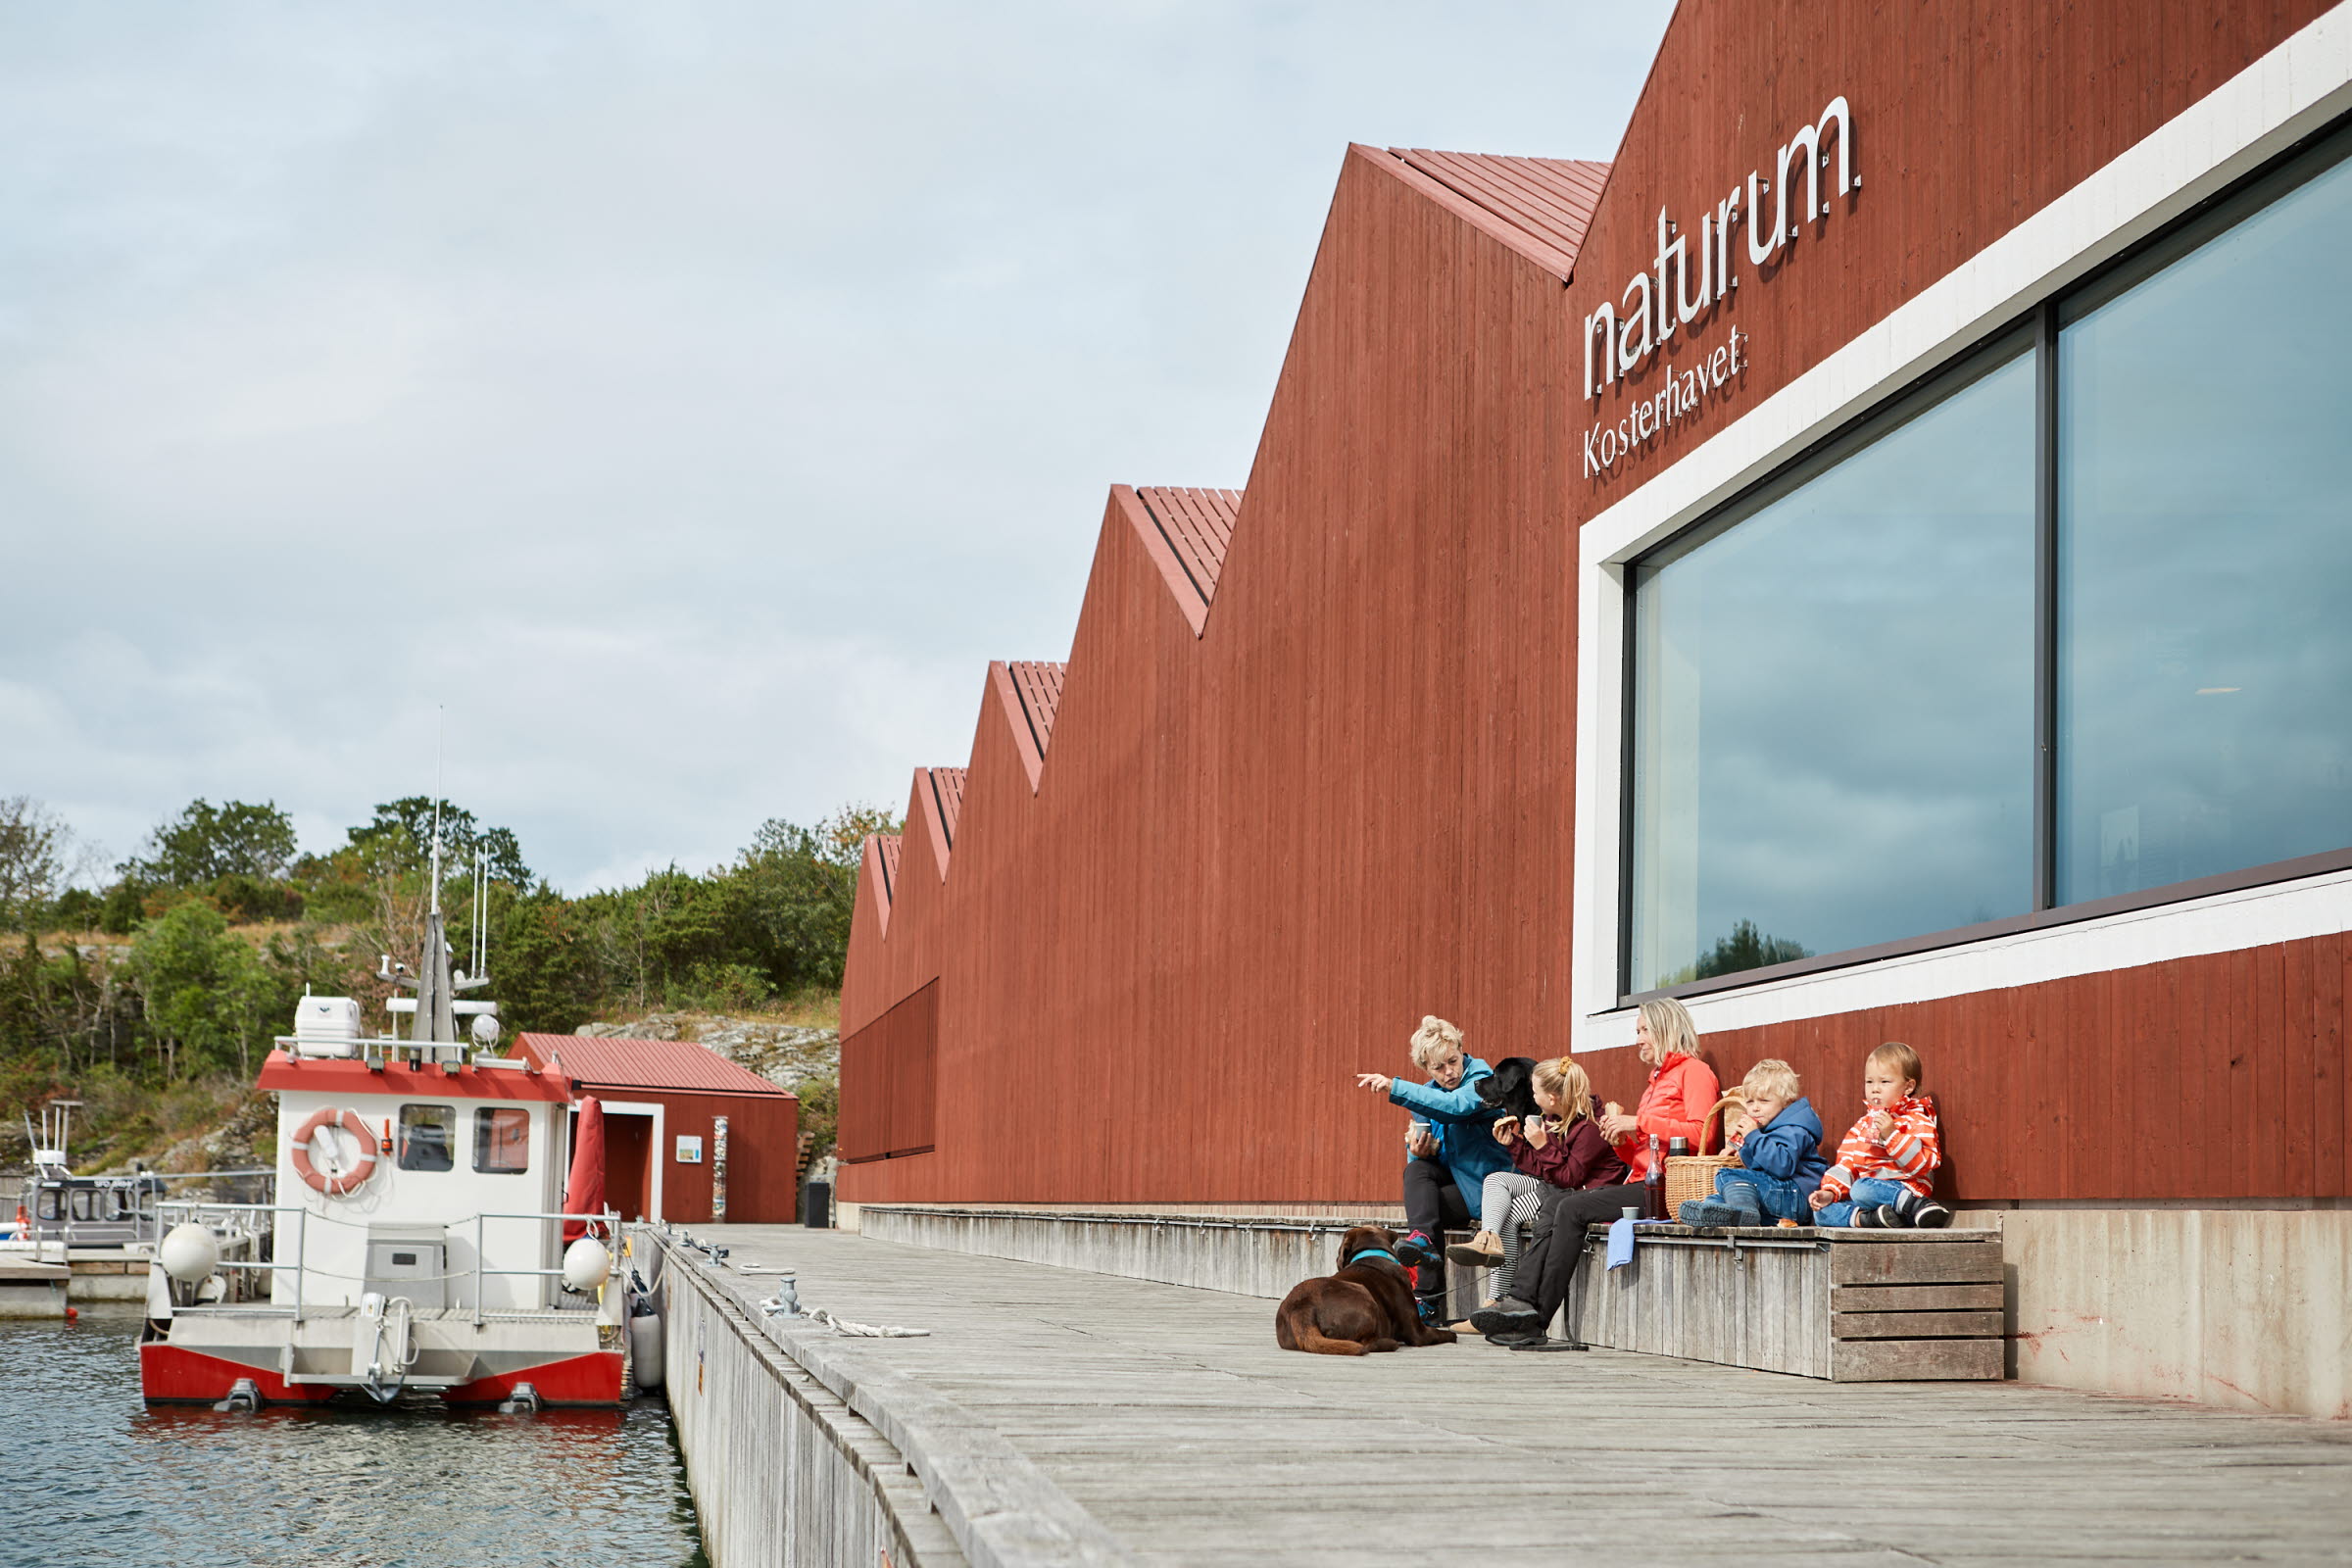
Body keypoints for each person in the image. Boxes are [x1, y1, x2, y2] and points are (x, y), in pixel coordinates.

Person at [1352, 1016, 1511, 1325]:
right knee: (1417, 1175)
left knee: (1426, 1212)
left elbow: (1455, 1108)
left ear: (1462, 1051)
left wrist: (1393, 1086)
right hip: (1455, 1189)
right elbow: (1424, 1162)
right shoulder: (1427, 1095)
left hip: (1486, 1190)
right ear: (1426, 1069)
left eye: (1452, 1061)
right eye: (1438, 1068)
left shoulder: (1482, 1080)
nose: (1448, 1072)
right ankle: (1423, 1251)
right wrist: (1419, 1152)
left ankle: (1428, 1297)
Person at [1450, 1055, 1624, 1311]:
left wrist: (1542, 1145)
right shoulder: (1555, 1117)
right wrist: (1515, 1144)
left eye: (1535, 1091)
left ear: (1552, 1098)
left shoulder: (1590, 1125)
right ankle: (1487, 1238)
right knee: (1496, 1179)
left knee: (1509, 1218)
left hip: (1576, 1195)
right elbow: (1544, 1169)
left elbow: (1569, 1178)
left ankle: (1495, 1301)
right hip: (1554, 1186)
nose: (1533, 1097)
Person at [1807, 1041, 1951, 1228]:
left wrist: (1892, 1136)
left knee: (1861, 1189)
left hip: (1906, 1191)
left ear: (1908, 1087)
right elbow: (1847, 1163)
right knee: (1822, 1213)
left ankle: (1916, 1206)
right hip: (1871, 1200)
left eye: (1884, 1082)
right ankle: (1873, 1220)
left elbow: (1924, 1165)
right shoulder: (1862, 1125)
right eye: (1870, 1082)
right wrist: (1830, 1191)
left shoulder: (1916, 1120)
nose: (1875, 1088)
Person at [1677, 1058, 1826, 1226]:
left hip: (1797, 1195)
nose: (1755, 1108)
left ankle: (1743, 1213)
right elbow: (1743, 1140)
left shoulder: (1794, 1128)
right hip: (1779, 1197)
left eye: (1764, 1101)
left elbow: (1782, 1165)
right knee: (1719, 1196)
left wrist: (1753, 1136)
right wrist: (1733, 1147)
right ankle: (1709, 1211)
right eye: (1750, 1101)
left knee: (1726, 1175)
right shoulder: (1765, 1125)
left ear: (1786, 1102)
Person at [1596, 998, 1720, 1181]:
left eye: (1646, 1030)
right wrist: (1621, 1142)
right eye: (1638, 1031)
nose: (1639, 1040)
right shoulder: (1654, 1082)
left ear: (1667, 1030)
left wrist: (1639, 1122)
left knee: (1571, 1208)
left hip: (1671, 1184)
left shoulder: (1694, 1070)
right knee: (1564, 1204)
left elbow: (1703, 1135)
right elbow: (1641, 1160)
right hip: (1644, 1180)